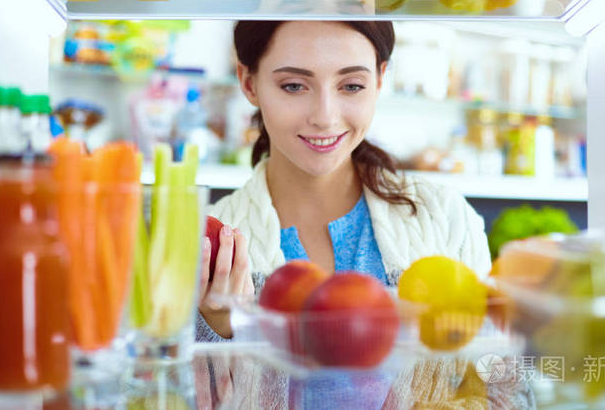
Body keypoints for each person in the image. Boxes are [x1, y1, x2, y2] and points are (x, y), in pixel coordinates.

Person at [196, 20, 491, 341]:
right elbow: (165, 384)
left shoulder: (443, 216)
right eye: (294, 85)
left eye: (351, 86)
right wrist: (217, 331)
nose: (325, 117)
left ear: (379, 79)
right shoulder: (209, 241)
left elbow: (498, 379)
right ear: (249, 83)